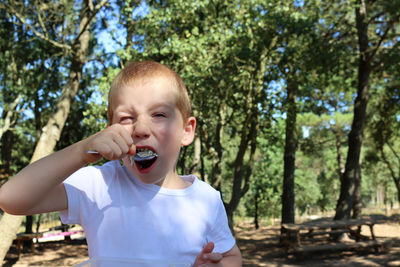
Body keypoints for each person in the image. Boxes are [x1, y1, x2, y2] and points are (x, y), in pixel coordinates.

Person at [0, 61, 242, 266]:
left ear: (186, 131)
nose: (141, 129)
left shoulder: (206, 198)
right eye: (126, 118)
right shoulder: (100, 184)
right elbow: (10, 197)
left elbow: (232, 256)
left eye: (158, 115)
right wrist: (83, 149)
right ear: (110, 130)